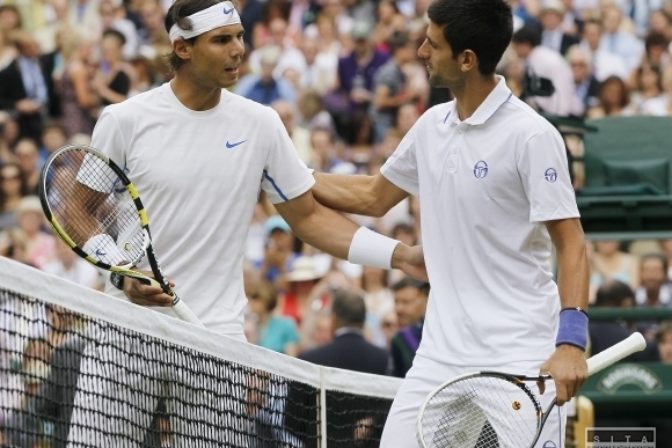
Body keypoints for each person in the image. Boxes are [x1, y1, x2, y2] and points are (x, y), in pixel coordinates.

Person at [66, 1, 423, 446]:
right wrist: (121, 273)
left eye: (239, 36)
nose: (238, 49)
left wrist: (399, 256)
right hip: (126, 328)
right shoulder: (124, 120)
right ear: (183, 48)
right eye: (221, 40)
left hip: (216, 337)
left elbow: (309, 217)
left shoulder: (262, 124)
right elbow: (77, 210)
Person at [312, 0, 590, 446]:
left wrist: (571, 343)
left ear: (467, 59)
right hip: (439, 355)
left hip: (519, 354)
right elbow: (372, 196)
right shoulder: (430, 126)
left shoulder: (532, 136)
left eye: (433, 44)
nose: (421, 51)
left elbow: (572, 244)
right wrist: (289, 176)